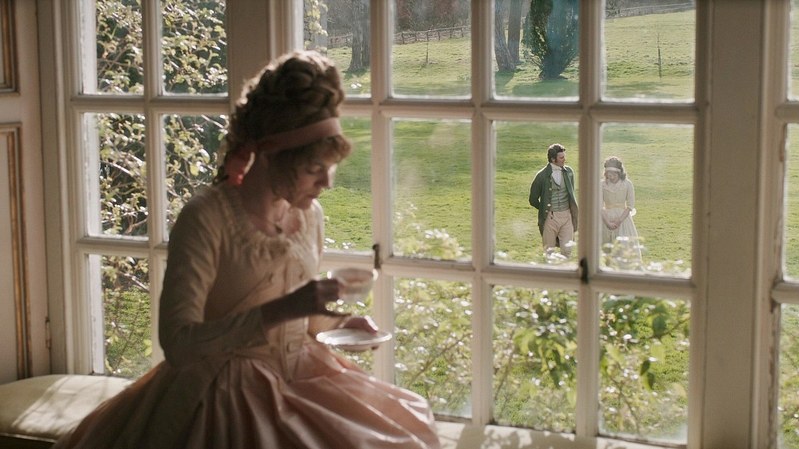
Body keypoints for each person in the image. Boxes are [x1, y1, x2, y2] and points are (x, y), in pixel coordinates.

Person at [53, 51, 440, 449]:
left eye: (330, 168)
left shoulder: (309, 216)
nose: (326, 183)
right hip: (224, 393)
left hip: (301, 373)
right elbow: (179, 341)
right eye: (313, 169)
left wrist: (343, 325)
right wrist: (285, 309)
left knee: (404, 428)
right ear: (271, 156)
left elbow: (299, 320)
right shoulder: (207, 218)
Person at [528, 143, 579, 257]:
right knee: (549, 252)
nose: (564, 159)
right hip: (550, 218)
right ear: (553, 159)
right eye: (561, 157)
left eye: (564, 157)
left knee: (567, 251)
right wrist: (544, 207)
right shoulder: (541, 176)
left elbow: (571, 193)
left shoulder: (569, 172)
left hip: (567, 216)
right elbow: (533, 199)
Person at [600, 156, 642, 267]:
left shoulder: (627, 184)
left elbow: (630, 206)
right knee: (607, 248)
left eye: (613, 173)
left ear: (619, 172)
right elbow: (599, 206)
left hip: (623, 218)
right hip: (606, 218)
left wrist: (619, 221)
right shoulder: (602, 185)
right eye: (608, 173)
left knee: (624, 247)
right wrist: (608, 222)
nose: (610, 176)